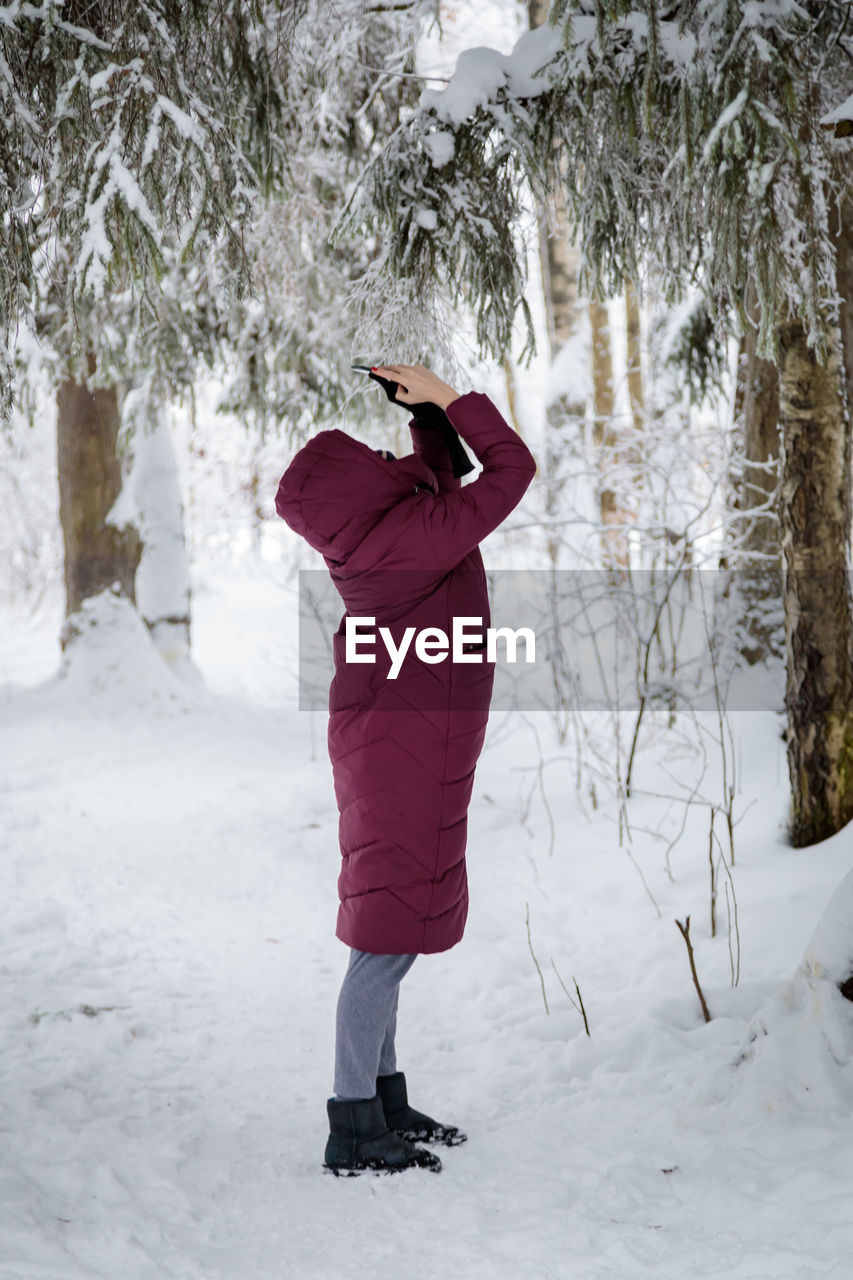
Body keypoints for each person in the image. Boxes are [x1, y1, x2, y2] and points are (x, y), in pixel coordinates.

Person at [275, 363, 536, 1175]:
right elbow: (510, 471)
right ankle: (351, 1123)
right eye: (372, 459)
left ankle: (382, 1097)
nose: (388, 462)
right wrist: (454, 399)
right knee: (385, 939)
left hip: (398, 730)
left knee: (390, 919)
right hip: (402, 740)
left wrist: (427, 419)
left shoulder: (378, 529)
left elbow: (436, 478)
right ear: (359, 489)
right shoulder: (401, 541)